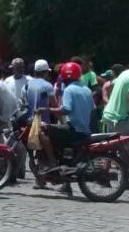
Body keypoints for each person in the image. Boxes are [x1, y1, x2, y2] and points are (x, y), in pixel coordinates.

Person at [37, 62, 94, 195]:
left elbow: (66, 109)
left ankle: (52, 163)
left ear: (64, 77)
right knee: (58, 138)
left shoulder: (69, 90)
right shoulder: (87, 89)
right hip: (84, 130)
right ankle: (65, 184)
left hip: (74, 130)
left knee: (43, 130)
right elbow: (92, 111)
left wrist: (46, 109)